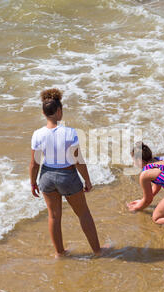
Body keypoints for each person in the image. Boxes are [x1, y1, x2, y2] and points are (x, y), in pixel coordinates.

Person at [29, 88, 104, 257]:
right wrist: (88, 180)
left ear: (43, 112)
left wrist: (33, 182)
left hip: (46, 177)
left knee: (54, 217)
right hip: (67, 176)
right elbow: (77, 160)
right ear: (59, 111)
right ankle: (97, 251)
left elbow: (34, 163)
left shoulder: (37, 134)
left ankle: (60, 253)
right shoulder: (70, 133)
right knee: (83, 213)